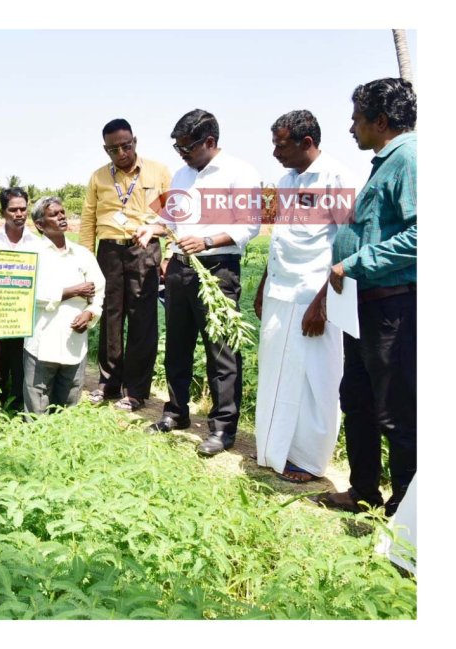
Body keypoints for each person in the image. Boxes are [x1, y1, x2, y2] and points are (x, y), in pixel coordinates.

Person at [317, 78, 417, 516]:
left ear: (380, 120)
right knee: (356, 398)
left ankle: (404, 513)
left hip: (393, 307)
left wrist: (352, 264)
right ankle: (363, 491)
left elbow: (421, 235)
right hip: (365, 306)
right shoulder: (384, 162)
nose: (351, 125)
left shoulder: (410, 159)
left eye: (357, 117)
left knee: (395, 411)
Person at [137, 109, 260, 456]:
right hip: (179, 268)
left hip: (218, 270)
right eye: (177, 148)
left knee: (221, 353)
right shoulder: (180, 173)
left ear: (209, 142)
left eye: (187, 147)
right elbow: (170, 219)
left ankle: (222, 429)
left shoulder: (241, 173)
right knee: (177, 345)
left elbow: (249, 227)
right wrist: (154, 228)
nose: (182, 154)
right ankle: (176, 413)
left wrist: (207, 241)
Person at [253, 110, 358, 483]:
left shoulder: (337, 178)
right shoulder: (285, 180)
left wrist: (323, 303)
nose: (275, 152)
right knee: (275, 371)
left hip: (315, 297)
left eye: (281, 144)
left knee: (315, 379)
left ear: (306, 143)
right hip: (281, 290)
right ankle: (272, 449)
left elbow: (347, 245)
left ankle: (309, 461)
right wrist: (264, 283)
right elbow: (280, 238)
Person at [79, 118, 172, 412]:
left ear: (135, 141)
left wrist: (167, 255)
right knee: (110, 317)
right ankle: (108, 383)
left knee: (142, 321)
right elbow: (89, 221)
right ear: (105, 149)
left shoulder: (159, 172)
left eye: (126, 145)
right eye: (113, 149)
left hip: (144, 249)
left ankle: (135, 390)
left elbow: (171, 217)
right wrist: (85, 261)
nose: (121, 153)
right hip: (108, 252)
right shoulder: (98, 178)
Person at [23, 197, 105, 414]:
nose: (61, 217)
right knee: (36, 407)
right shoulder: (32, 254)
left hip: (74, 342)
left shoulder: (82, 254)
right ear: (40, 224)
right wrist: (73, 291)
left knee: (69, 405)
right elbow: (28, 292)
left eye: (62, 213)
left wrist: (90, 312)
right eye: (54, 214)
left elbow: (99, 290)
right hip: (41, 342)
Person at [0, 187, 41, 411]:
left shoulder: (37, 245)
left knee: (22, 371)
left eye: (23, 209)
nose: (19, 214)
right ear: (3, 212)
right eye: (13, 209)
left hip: (24, 321)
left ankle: (16, 414)